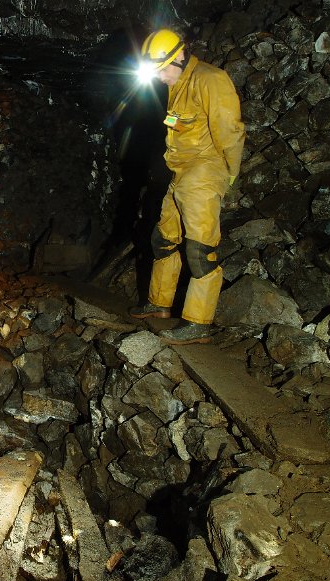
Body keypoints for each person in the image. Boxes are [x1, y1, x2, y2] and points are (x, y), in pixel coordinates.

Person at [129, 28, 245, 344]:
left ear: (180, 56)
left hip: (205, 172)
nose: (159, 78)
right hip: (179, 173)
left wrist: (231, 173)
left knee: (200, 249)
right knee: (164, 239)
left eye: (161, 70)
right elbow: (179, 123)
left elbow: (230, 131)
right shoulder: (174, 84)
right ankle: (159, 303)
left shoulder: (211, 79)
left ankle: (198, 321)